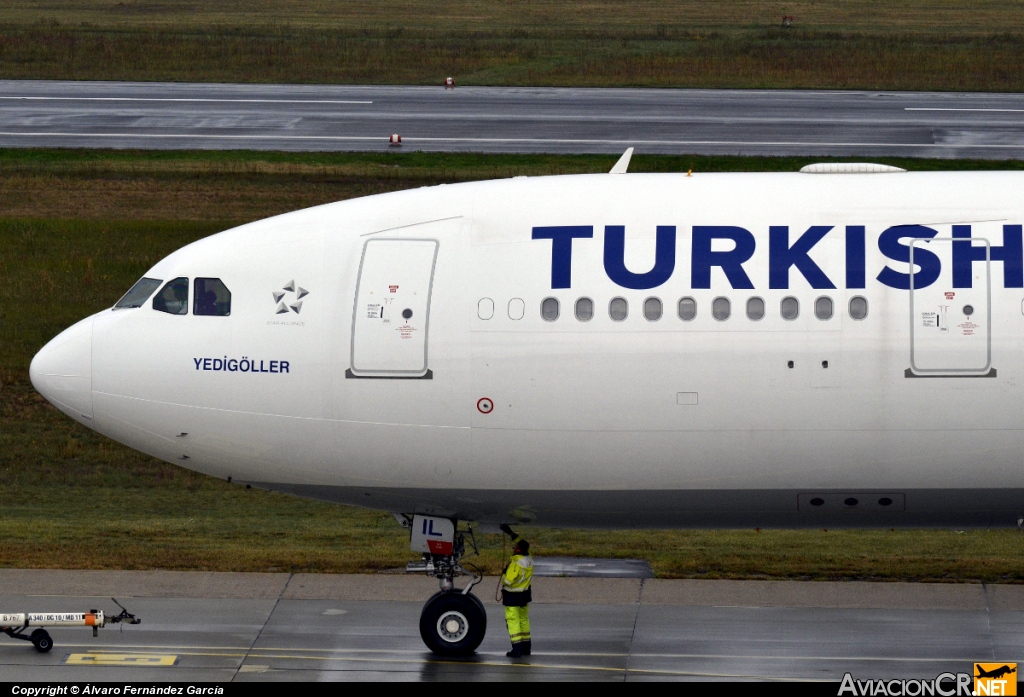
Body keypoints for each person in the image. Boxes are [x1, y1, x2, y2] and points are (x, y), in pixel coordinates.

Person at [499, 524, 533, 657]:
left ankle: (517, 649)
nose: (514, 548)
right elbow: (523, 543)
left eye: (515, 547)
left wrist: (503, 574)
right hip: (524, 595)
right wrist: (511, 533)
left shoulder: (516, 564)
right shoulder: (528, 558)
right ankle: (526, 648)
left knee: (513, 622)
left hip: (513, 596)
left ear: (518, 551)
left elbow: (508, 581)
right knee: (524, 620)